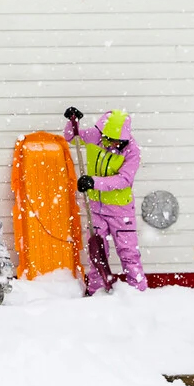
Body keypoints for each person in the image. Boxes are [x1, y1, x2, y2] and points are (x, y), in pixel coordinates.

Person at [65, 107, 148, 293]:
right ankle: (95, 290)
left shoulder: (132, 151)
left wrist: (93, 182)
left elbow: (124, 180)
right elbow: (71, 137)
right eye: (108, 138)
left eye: (117, 140)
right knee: (97, 253)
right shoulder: (96, 137)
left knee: (129, 253)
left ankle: (139, 292)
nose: (111, 143)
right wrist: (72, 122)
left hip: (121, 211)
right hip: (95, 209)